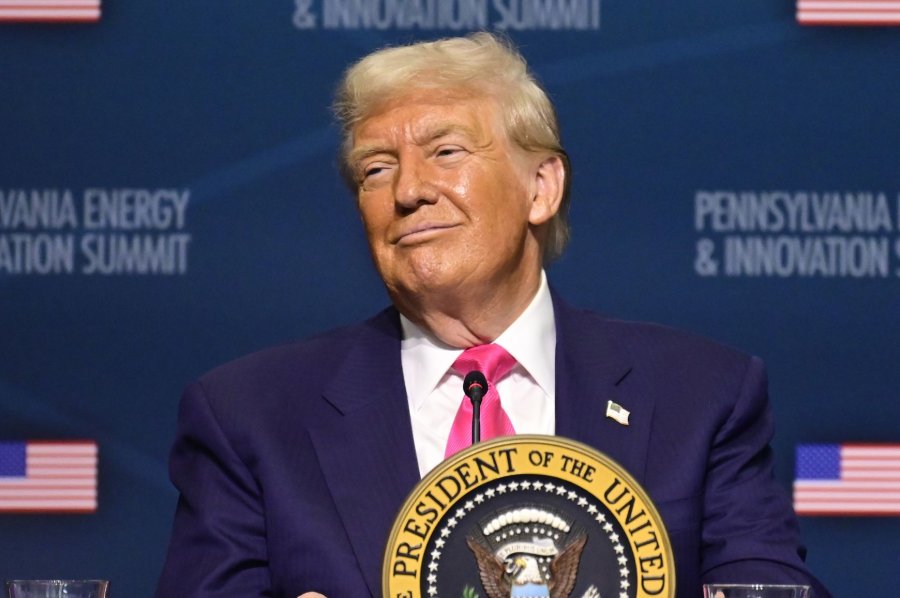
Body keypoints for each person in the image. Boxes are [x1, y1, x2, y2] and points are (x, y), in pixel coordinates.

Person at [155, 33, 831, 598]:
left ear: (541, 187)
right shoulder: (250, 417)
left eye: (445, 152)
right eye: (376, 170)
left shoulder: (699, 395)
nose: (409, 191)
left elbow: (768, 587)